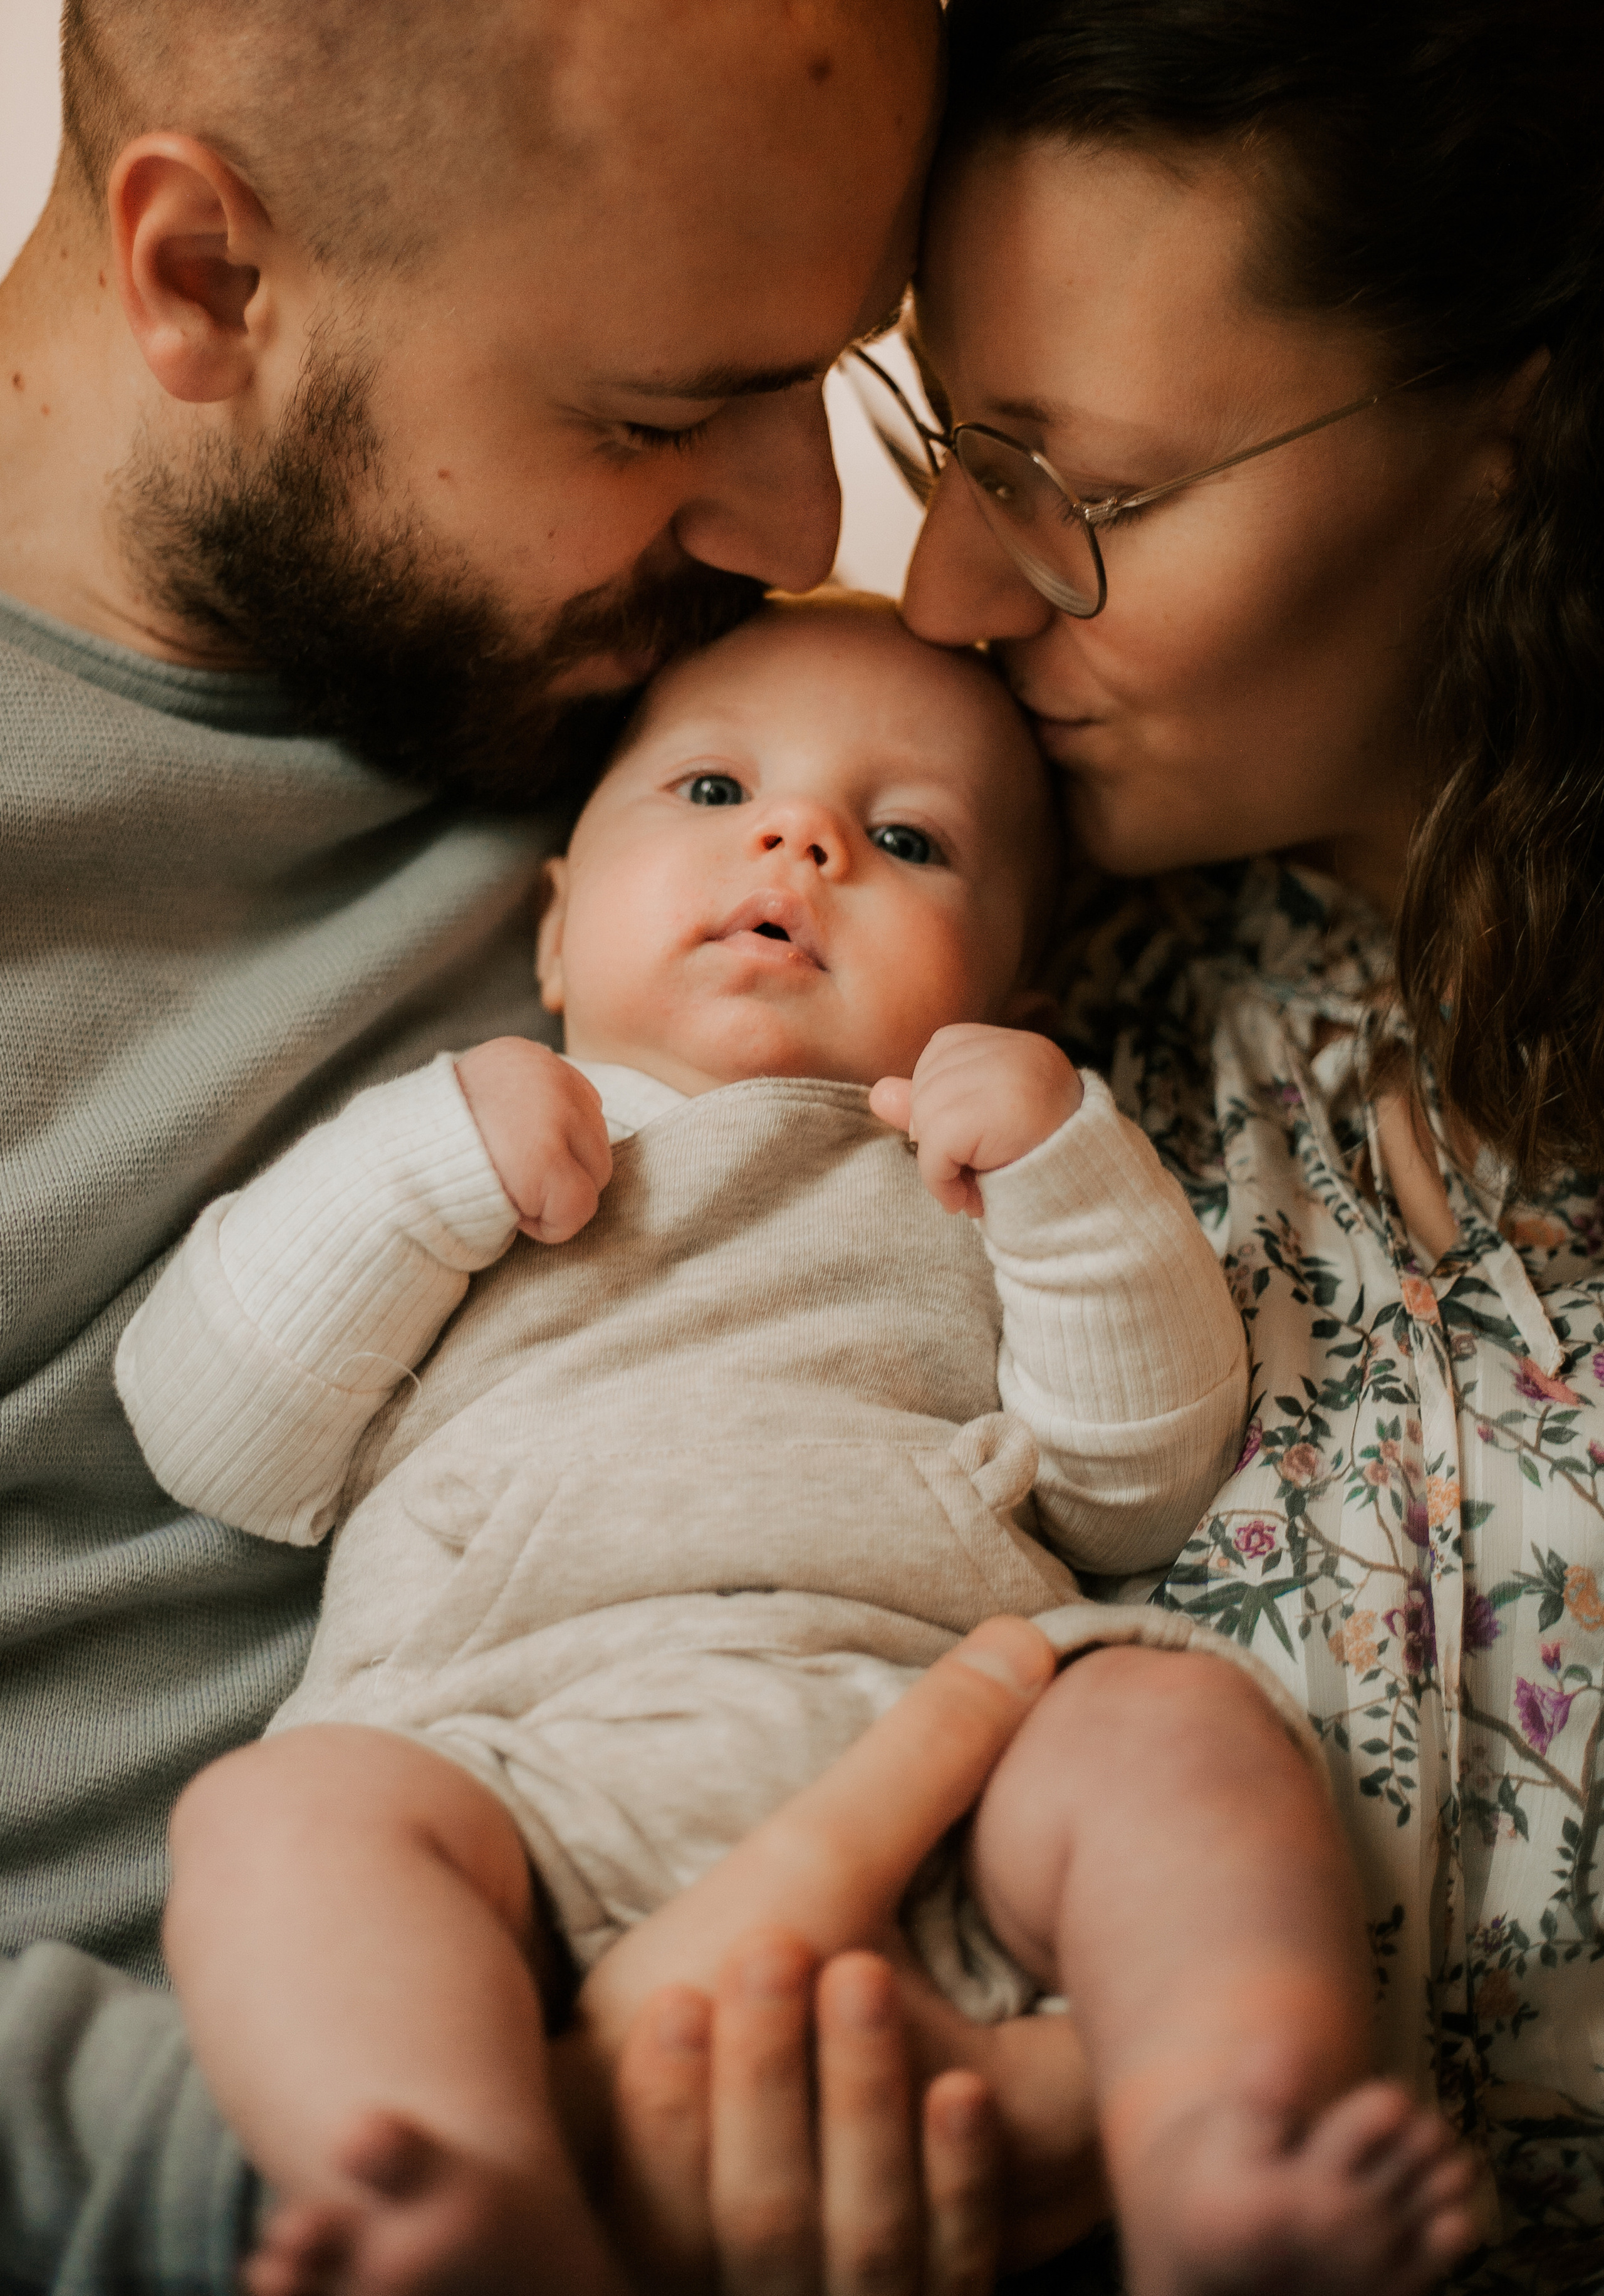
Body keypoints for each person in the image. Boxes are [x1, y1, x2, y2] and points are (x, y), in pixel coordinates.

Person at [1, 4, 1034, 2288]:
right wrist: (502, 2165)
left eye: (835, 378)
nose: (803, 534)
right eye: (662, 412)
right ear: (208, 279)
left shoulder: (707, 722)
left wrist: (1075, 2084)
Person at [117, 595, 1473, 2296]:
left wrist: (1064, 1172)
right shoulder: (466, 1151)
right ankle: (465, 2186)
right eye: (708, 792)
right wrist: (418, 1169)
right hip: (505, 1759)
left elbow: (1135, 1490)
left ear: (1004, 986)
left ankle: (1219, 2137)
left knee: (1171, 1726)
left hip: (946, 1754)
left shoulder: (969, 1167)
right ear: (554, 934)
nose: (798, 838)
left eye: (906, 839)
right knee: (277, 1818)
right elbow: (216, 1437)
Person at [798, 0, 1600, 2285]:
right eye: (951, 441)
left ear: (1514, 448)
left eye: (1091, 493)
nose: (950, 590)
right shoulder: (964, 1003)